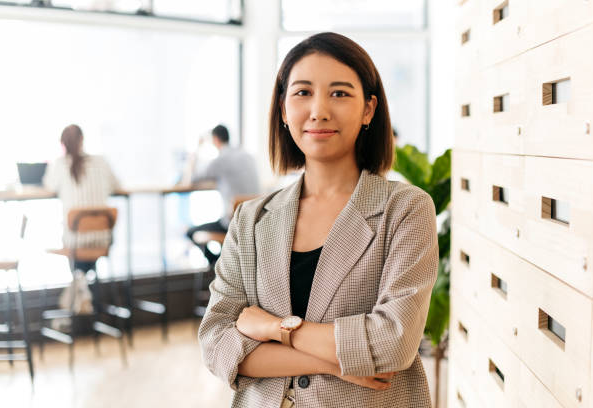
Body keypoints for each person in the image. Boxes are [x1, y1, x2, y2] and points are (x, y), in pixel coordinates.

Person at [198, 32, 438, 408]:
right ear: (282, 109)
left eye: (339, 93)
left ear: (369, 109)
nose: (319, 110)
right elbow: (216, 341)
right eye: (303, 92)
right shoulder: (250, 219)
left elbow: (393, 341)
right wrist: (341, 362)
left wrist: (273, 329)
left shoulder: (406, 210)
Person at [185, 124, 260, 266]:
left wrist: (196, 150)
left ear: (215, 140)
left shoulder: (221, 160)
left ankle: (217, 264)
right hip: (254, 222)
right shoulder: (248, 156)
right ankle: (224, 265)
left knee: (190, 232)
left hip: (232, 223)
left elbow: (192, 179)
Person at [43, 124, 121, 256]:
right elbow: (117, 186)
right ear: (82, 139)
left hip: (74, 241)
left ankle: (80, 275)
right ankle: (85, 275)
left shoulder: (59, 165)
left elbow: (49, 186)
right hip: (103, 238)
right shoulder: (101, 162)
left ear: (62, 143)